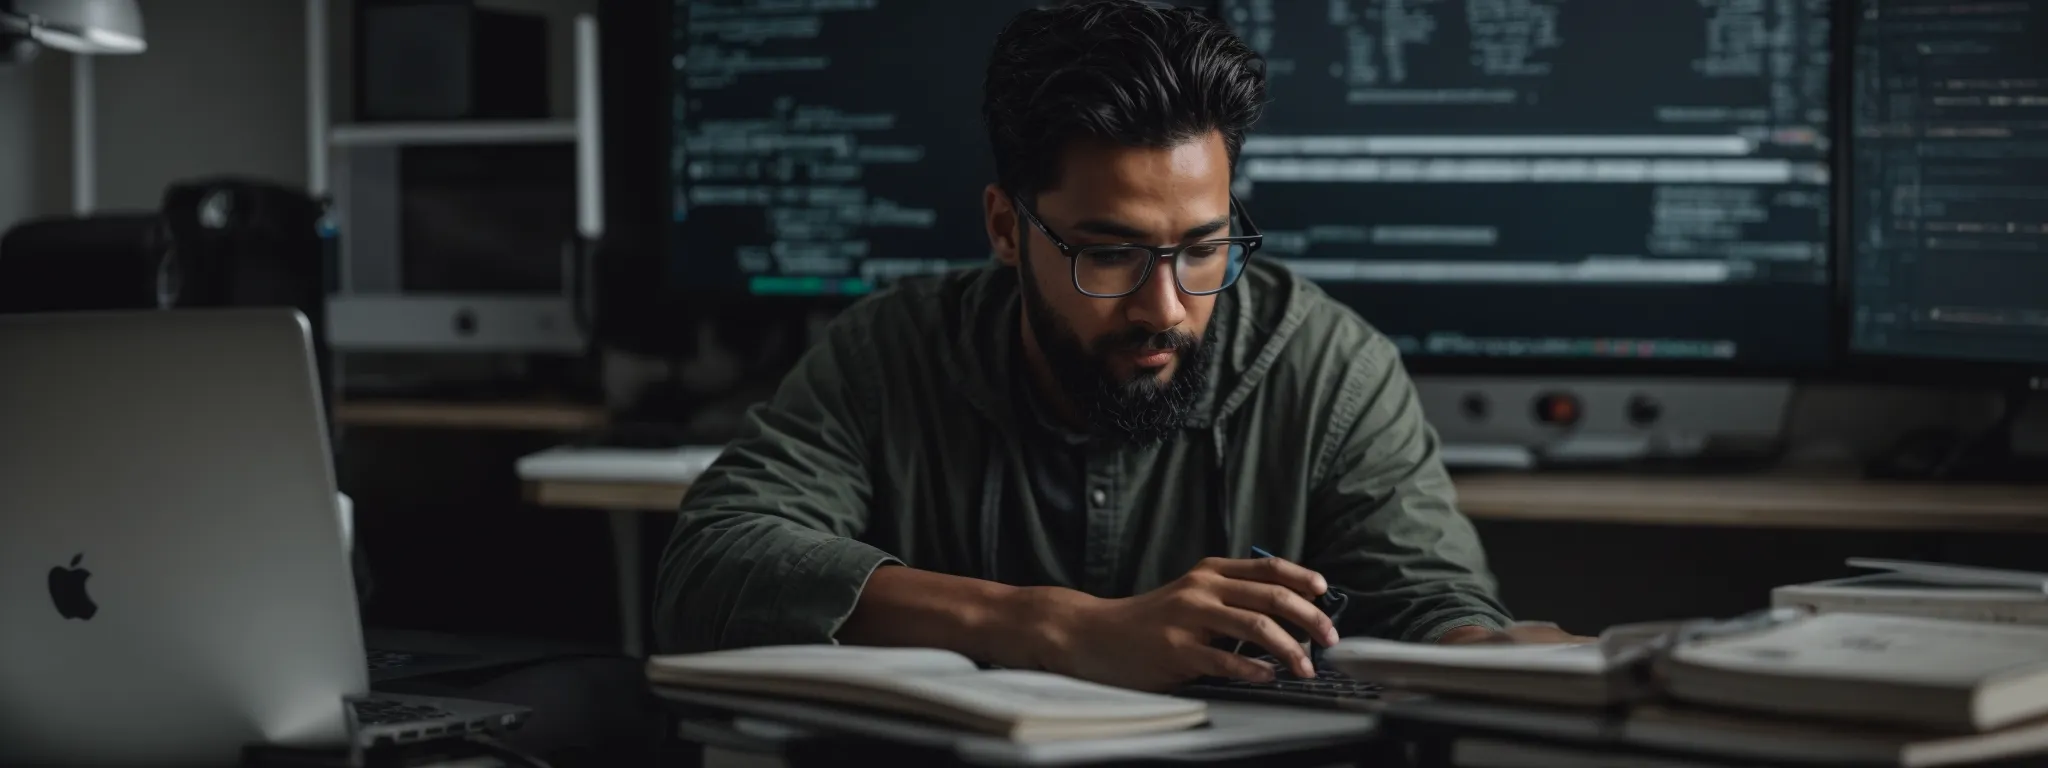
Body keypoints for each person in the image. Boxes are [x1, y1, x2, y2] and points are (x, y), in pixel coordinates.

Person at [654, 0, 1582, 693]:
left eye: (1205, 247)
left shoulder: (1333, 368)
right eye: (1110, 253)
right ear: (1008, 229)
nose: (1168, 308)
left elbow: (1433, 603)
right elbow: (712, 567)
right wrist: (1053, 626)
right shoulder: (889, 352)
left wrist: (1492, 653)